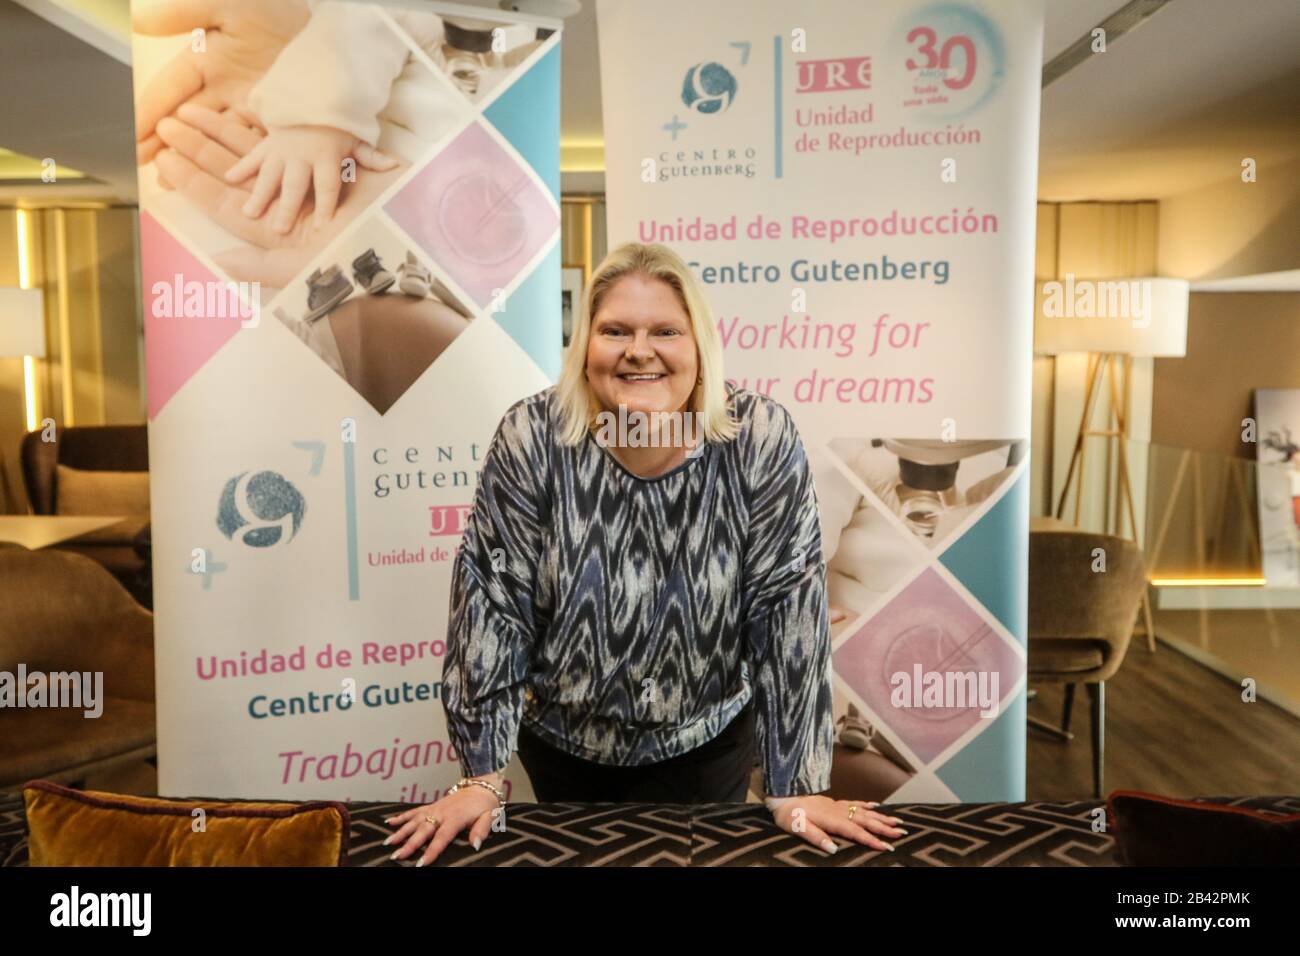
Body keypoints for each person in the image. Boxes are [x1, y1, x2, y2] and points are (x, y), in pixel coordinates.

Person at [384, 243, 906, 865]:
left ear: (699, 345)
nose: (639, 349)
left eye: (665, 330)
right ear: (585, 346)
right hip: (564, 743)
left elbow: (786, 607)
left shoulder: (758, 437)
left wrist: (797, 783)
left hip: (708, 741)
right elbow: (493, 606)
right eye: (615, 330)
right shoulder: (532, 436)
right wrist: (482, 775)